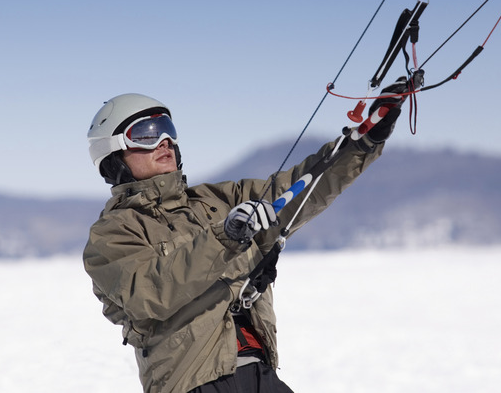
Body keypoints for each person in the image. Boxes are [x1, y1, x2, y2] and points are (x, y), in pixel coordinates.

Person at [83, 80, 408, 393]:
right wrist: (224, 237)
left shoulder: (218, 200)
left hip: (259, 370)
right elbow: (151, 293)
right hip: (192, 382)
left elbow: (298, 188)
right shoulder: (111, 234)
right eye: (146, 133)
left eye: (167, 129)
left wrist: (363, 141)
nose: (164, 141)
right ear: (114, 154)